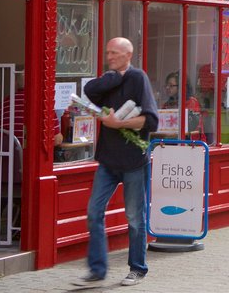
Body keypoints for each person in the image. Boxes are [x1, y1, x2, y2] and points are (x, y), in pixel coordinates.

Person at [75, 38, 158, 287]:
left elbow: (151, 120)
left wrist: (119, 123)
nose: (109, 56)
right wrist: (112, 79)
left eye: (114, 53)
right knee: (93, 212)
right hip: (108, 160)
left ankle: (137, 269)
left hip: (134, 159)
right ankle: (97, 270)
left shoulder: (138, 78)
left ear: (128, 55)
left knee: (134, 217)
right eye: (107, 52)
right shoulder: (109, 79)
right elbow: (89, 91)